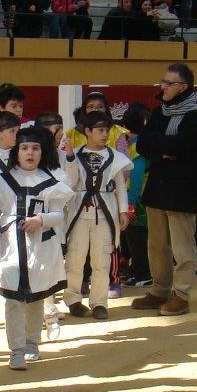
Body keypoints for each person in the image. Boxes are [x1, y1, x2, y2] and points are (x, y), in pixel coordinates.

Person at [0, 126, 74, 371]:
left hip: (41, 247)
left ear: (42, 152)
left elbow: (59, 215)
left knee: (36, 297)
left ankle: (32, 342)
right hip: (9, 244)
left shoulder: (55, 179)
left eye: (35, 148)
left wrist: (41, 220)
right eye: (24, 148)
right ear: (17, 151)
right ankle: (16, 350)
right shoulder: (0, 177)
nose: (29, 153)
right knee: (13, 300)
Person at [131, 63, 197, 317]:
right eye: (162, 81)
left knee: (182, 247)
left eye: (168, 83)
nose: (162, 86)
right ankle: (159, 290)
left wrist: (164, 147)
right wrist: (164, 150)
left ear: (183, 87)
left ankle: (182, 295)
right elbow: (143, 143)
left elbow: (182, 145)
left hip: (181, 188)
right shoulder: (159, 112)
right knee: (157, 245)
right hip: (157, 187)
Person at [62, 112, 131, 320]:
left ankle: (99, 301)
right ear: (88, 132)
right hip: (79, 214)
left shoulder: (116, 158)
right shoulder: (74, 154)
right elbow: (70, 183)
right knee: (75, 258)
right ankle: (73, 299)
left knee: (102, 260)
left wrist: (123, 210)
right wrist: (70, 159)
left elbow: (120, 186)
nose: (104, 134)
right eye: (99, 130)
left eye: (106, 130)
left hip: (105, 212)